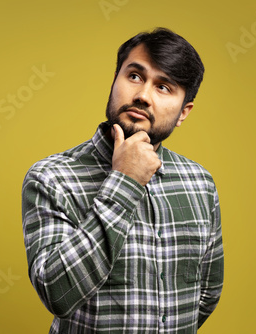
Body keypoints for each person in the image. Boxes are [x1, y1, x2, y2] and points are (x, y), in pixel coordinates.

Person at [22, 27, 224, 333]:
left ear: (184, 113)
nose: (142, 95)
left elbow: (206, 293)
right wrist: (124, 181)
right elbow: (56, 291)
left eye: (164, 87)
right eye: (134, 76)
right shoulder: (52, 177)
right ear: (115, 80)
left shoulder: (200, 184)